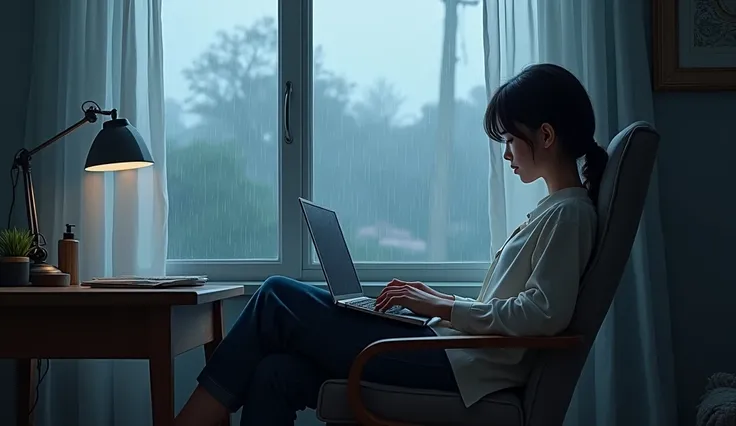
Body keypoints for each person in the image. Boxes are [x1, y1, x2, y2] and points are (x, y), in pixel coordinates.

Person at [174, 63, 608, 426]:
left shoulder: (569, 216)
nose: (508, 153)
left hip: (461, 369)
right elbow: (511, 307)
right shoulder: (554, 213)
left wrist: (440, 307)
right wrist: (433, 298)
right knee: (275, 373)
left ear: (546, 136)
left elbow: (541, 315)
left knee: (275, 296)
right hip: (452, 353)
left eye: (512, 140)